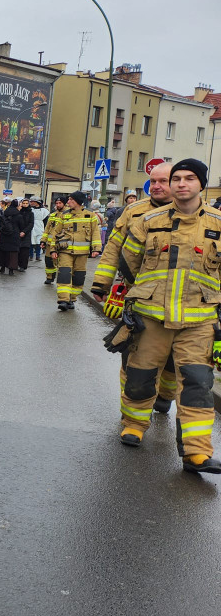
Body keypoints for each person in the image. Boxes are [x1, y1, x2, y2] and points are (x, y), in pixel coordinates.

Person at [94, 159, 221, 472]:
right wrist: (119, 294)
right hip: (150, 317)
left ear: (201, 184)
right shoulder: (148, 220)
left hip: (199, 321)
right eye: (176, 178)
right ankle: (134, 426)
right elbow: (126, 262)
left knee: (197, 384)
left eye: (189, 178)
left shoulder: (218, 223)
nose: (180, 184)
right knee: (139, 374)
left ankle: (196, 453)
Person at [91, 162, 176, 423]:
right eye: (153, 180)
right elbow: (114, 249)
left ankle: (165, 395)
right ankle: (132, 416)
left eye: (164, 180)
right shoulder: (134, 211)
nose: (156, 186)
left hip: (184, 302)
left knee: (173, 363)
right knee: (133, 357)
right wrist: (102, 284)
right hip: (138, 297)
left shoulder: (195, 215)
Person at [46, 191, 101, 310]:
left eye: (71, 199)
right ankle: (63, 300)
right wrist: (53, 250)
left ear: (78, 201)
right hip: (65, 251)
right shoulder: (64, 215)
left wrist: (96, 249)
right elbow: (55, 232)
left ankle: (72, 298)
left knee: (78, 277)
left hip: (82, 253)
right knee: (64, 274)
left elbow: (96, 233)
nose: (68, 202)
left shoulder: (90, 215)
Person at [40, 197, 66, 285]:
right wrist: (43, 240)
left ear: (64, 204)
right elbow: (47, 229)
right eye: (57, 203)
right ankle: (49, 277)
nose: (58, 205)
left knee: (61, 262)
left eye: (60, 203)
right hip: (50, 243)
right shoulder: (52, 215)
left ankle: (61, 278)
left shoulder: (68, 215)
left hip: (61, 243)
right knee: (48, 261)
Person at [0, 199, 21, 275]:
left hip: (4, 235)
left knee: (3, 252)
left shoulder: (5, 213)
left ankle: (2, 268)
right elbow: (21, 225)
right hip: (14, 236)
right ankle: (11, 270)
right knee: (13, 254)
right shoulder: (18, 215)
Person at [17, 198, 35, 271]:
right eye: (23, 203)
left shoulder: (31, 213)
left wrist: (24, 232)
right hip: (18, 232)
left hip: (26, 234)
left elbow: (31, 224)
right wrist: (18, 231)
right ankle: (17, 264)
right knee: (18, 249)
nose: (25, 205)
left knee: (25, 251)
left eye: (26, 203)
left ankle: (23, 266)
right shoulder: (19, 212)